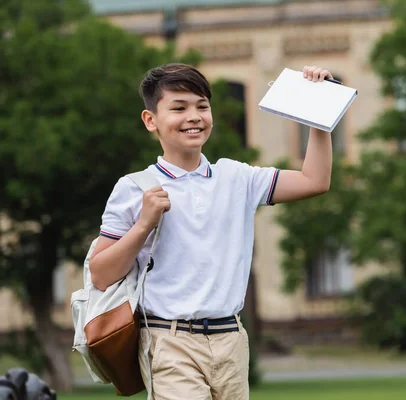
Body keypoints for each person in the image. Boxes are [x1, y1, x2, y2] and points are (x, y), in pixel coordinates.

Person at [88, 63, 335, 399]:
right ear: (151, 121)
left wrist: (320, 111)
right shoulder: (134, 188)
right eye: (178, 108)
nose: (194, 116)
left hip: (231, 338)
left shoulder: (238, 178)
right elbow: (101, 275)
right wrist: (144, 223)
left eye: (202, 106)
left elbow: (314, 180)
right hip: (168, 340)